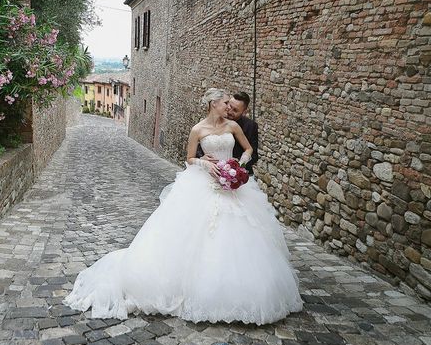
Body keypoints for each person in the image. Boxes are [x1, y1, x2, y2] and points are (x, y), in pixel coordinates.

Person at [64, 88, 303, 325]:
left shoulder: (233, 127)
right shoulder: (197, 130)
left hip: (232, 186)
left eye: (231, 105)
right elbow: (189, 158)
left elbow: (248, 148)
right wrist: (203, 163)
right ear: (213, 104)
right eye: (225, 104)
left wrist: (237, 164)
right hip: (204, 183)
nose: (229, 108)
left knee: (242, 232)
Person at [197, 91, 258, 176]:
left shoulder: (251, 126)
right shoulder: (214, 120)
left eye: (235, 110)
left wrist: (238, 165)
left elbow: (254, 155)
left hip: (238, 175)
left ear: (244, 111)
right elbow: (202, 145)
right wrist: (202, 158)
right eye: (229, 106)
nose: (229, 111)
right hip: (212, 171)